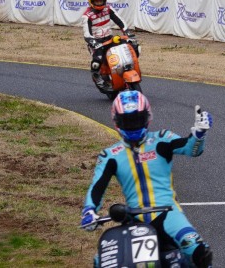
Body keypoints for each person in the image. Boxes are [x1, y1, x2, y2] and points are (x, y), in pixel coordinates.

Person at [80, 90, 214, 268]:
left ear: (147, 117)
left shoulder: (162, 139)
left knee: (199, 251)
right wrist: (89, 210)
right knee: (102, 261)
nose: (133, 125)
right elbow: (97, 187)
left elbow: (191, 149)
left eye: (137, 119)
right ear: (116, 121)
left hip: (168, 214)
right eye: (127, 121)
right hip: (134, 220)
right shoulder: (109, 155)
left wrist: (199, 134)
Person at [82, 0, 128, 88]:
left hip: (109, 38)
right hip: (96, 42)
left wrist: (127, 32)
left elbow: (120, 21)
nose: (99, 3)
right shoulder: (87, 16)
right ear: (91, 1)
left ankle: (127, 69)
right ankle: (96, 76)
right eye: (97, 1)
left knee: (127, 47)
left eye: (101, 0)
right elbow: (87, 34)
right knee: (97, 60)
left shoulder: (108, 9)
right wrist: (94, 43)